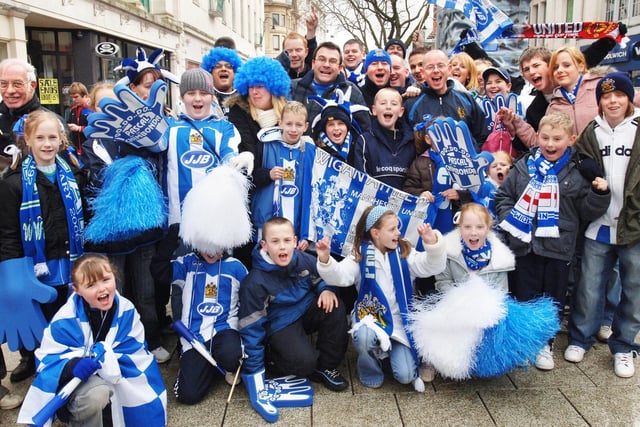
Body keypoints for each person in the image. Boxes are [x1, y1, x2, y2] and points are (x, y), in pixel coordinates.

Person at [495, 111, 611, 371]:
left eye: (556, 139)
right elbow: (503, 197)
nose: (549, 144)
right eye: (545, 137)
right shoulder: (524, 165)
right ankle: (526, 343)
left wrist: (598, 194)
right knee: (524, 295)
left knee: (552, 298)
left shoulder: (579, 170)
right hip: (524, 244)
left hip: (559, 246)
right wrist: (512, 220)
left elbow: (586, 212)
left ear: (570, 140)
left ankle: (545, 344)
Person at [17, 253, 167, 426]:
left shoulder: (127, 310)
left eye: (105, 279)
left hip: (120, 376)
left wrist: (105, 359)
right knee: (97, 394)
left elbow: (137, 352)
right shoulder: (64, 319)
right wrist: (72, 366)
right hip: (78, 387)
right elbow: (46, 361)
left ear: (115, 277)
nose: (102, 288)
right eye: (91, 285)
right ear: (77, 290)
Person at [316, 205, 446, 390]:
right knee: (364, 338)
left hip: (399, 321)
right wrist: (325, 260)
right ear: (375, 233)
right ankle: (369, 369)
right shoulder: (359, 254)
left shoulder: (404, 251)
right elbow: (341, 276)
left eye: (397, 228)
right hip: (370, 319)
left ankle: (384, 355)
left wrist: (432, 245)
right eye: (392, 229)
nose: (398, 233)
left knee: (406, 375)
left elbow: (431, 267)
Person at [151, 165, 252, 404]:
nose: (212, 252)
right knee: (188, 396)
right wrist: (172, 238)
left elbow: (250, 300)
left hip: (224, 330)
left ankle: (222, 361)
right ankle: (203, 365)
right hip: (193, 334)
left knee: (231, 354)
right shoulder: (187, 264)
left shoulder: (236, 267)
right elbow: (159, 271)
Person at [563, 72, 640, 378]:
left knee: (633, 289)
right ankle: (581, 338)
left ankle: (624, 346)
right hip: (599, 223)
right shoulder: (592, 130)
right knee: (589, 286)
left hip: (632, 224)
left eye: (618, 95)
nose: (612, 101)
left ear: (628, 98)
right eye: (606, 97)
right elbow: (579, 158)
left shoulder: (637, 129)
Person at [0, 110, 84, 384]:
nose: (47, 144)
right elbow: (9, 232)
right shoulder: (13, 184)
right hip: (37, 267)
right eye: (40, 138)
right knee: (40, 324)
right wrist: (11, 272)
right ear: (28, 140)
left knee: (67, 319)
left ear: (61, 140)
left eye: (52, 137)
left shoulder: (73, 174)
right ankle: (41, 368)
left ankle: (68, 367)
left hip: (70, 264)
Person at [238, 217, 349, 421]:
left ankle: (326, 367)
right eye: (275, 241)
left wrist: (326, 289)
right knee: (304, 364)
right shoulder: (253, 282)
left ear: (295, 241)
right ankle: (273, 358)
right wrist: (255, 369)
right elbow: (251, 330)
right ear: (264, 245)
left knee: (335, 306)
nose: (282, 247)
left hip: (306, 308)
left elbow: (325, 276)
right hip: (280, 322)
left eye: (287, 240)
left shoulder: (302, 258)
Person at [225, 56, 291, 268]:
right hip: (252, 202)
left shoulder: (289, 116)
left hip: (285, 200)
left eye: (260, 86)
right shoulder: (239, 113)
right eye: (251, 86)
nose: (255, 92)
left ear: (273, 87)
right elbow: (245, 145)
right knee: (251, 260)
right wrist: (249, 157)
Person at [164, 68, 250, 228]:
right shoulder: (168, 126)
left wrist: (238, 160)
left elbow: (228, 156)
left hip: (213, 220)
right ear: (182, 97)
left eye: (203, 93)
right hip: (176, 220)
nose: (197, 98)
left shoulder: (225, 127)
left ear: (211, 96)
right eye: (191, 93)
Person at [251, 101, 316, 247]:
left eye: (298, 125)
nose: (293, 129)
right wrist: (268, 175)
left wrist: (307, 234)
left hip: (296, 226)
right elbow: (251, 178)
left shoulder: (310, 151)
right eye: (289, 124)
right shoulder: (265, 144)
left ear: (306, 126)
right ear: (280, 123)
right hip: (266, 222)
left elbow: (313, 193)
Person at [404, 49, 488, 152]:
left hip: (463, 166)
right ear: (423, 72)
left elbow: (482, 135)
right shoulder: (412, 104)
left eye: (440, 65)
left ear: (448, 69)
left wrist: (472, 158)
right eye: (430, 67)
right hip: (427, 167)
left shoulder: (467, 100)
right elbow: (406, 143)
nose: (436, 70)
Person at [0, 58, 68, 171]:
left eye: (17, 84)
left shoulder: (53, 122)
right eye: (3, 84)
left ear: (32, 85)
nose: (10, 90)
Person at [290, 41, 371, 135]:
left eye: (332, 61)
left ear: (340, 68)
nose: (326, 65)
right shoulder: (292, 88)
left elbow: (365, 131)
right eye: (322, 59)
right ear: (313, 63)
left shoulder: (352, 91)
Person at [436, 202, 515, 294]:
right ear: (460, 227)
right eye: (467, 227)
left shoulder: (500, 259)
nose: (473, 232)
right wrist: (459, 298)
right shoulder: (448, 253)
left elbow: (501, 293)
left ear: (487, 229)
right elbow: (443, 282)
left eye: (479, 227)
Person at [353, 88, 415, 189]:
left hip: (405, 203)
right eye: (383, 103)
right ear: (374, 110)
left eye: (394, 104)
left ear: (401, 111)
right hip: (374, 203)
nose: (388, 107)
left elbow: (415, 182)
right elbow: (361, 179)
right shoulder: (364, 141)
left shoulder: (411, 142)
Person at [200, 47, 243, 118]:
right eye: (217, 66)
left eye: (228, 66)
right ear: (210, 72)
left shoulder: (245, 101)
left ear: (235, 72)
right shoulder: (202, 100)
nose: (223, 69)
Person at [66, 81, 91, 154]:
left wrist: (79, 128)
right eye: (72, 97)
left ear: (84, 95)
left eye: (76, 97)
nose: (74, 100)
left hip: (90, 149)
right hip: (77, 149)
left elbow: (97, 128)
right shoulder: (74, 109)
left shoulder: (92, 108)